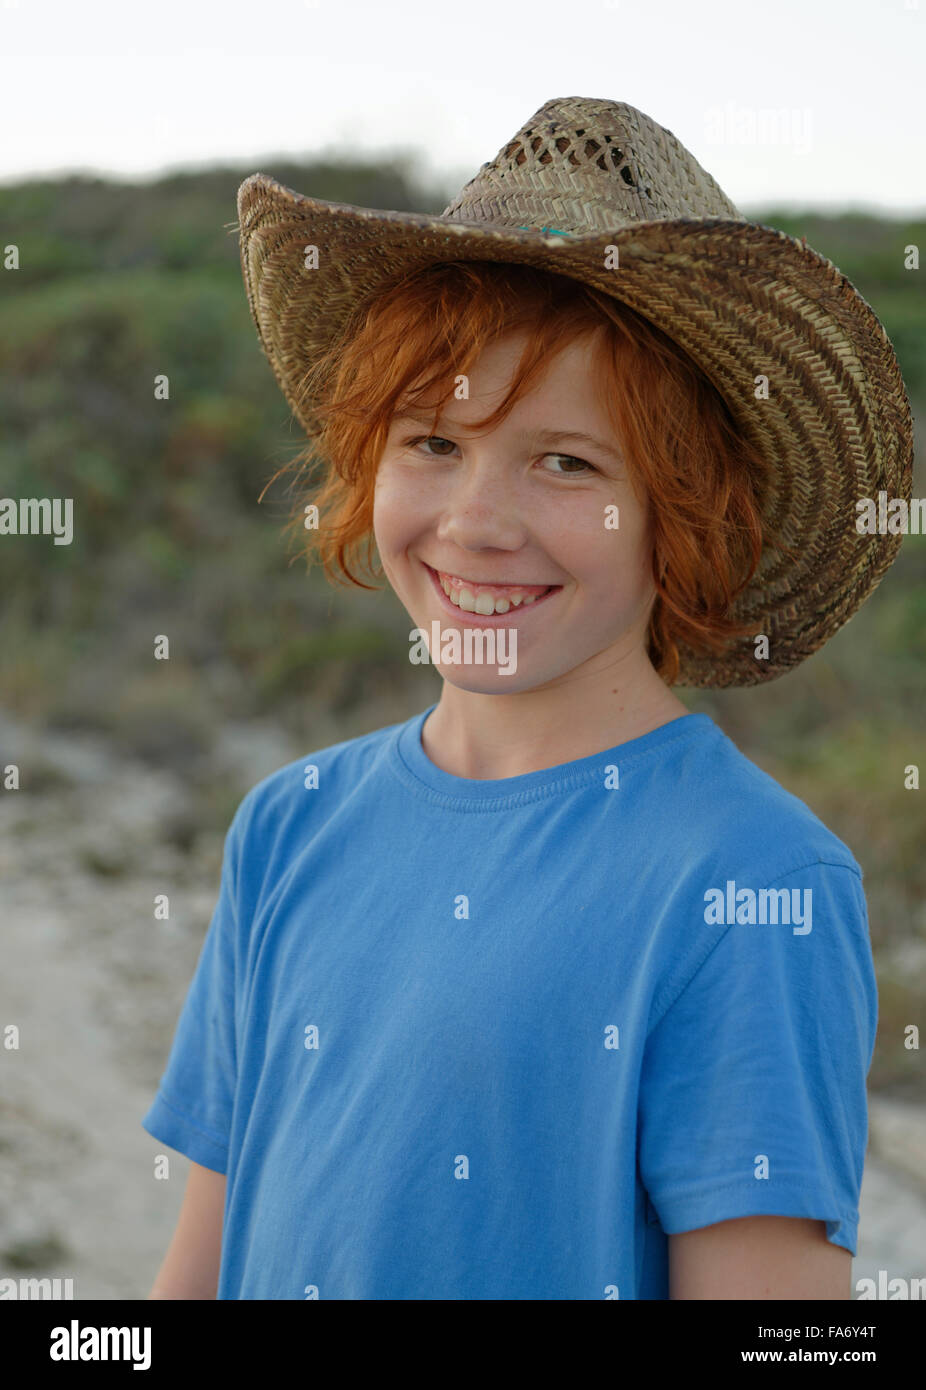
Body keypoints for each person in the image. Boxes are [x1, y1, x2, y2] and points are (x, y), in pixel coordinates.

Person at [142, 96, 913, 1300]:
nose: (476, 524)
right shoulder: (288, 824)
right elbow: (196, 1270)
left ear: (689, 514)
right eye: (430, 444)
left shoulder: (749, 879)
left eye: (566, 462)